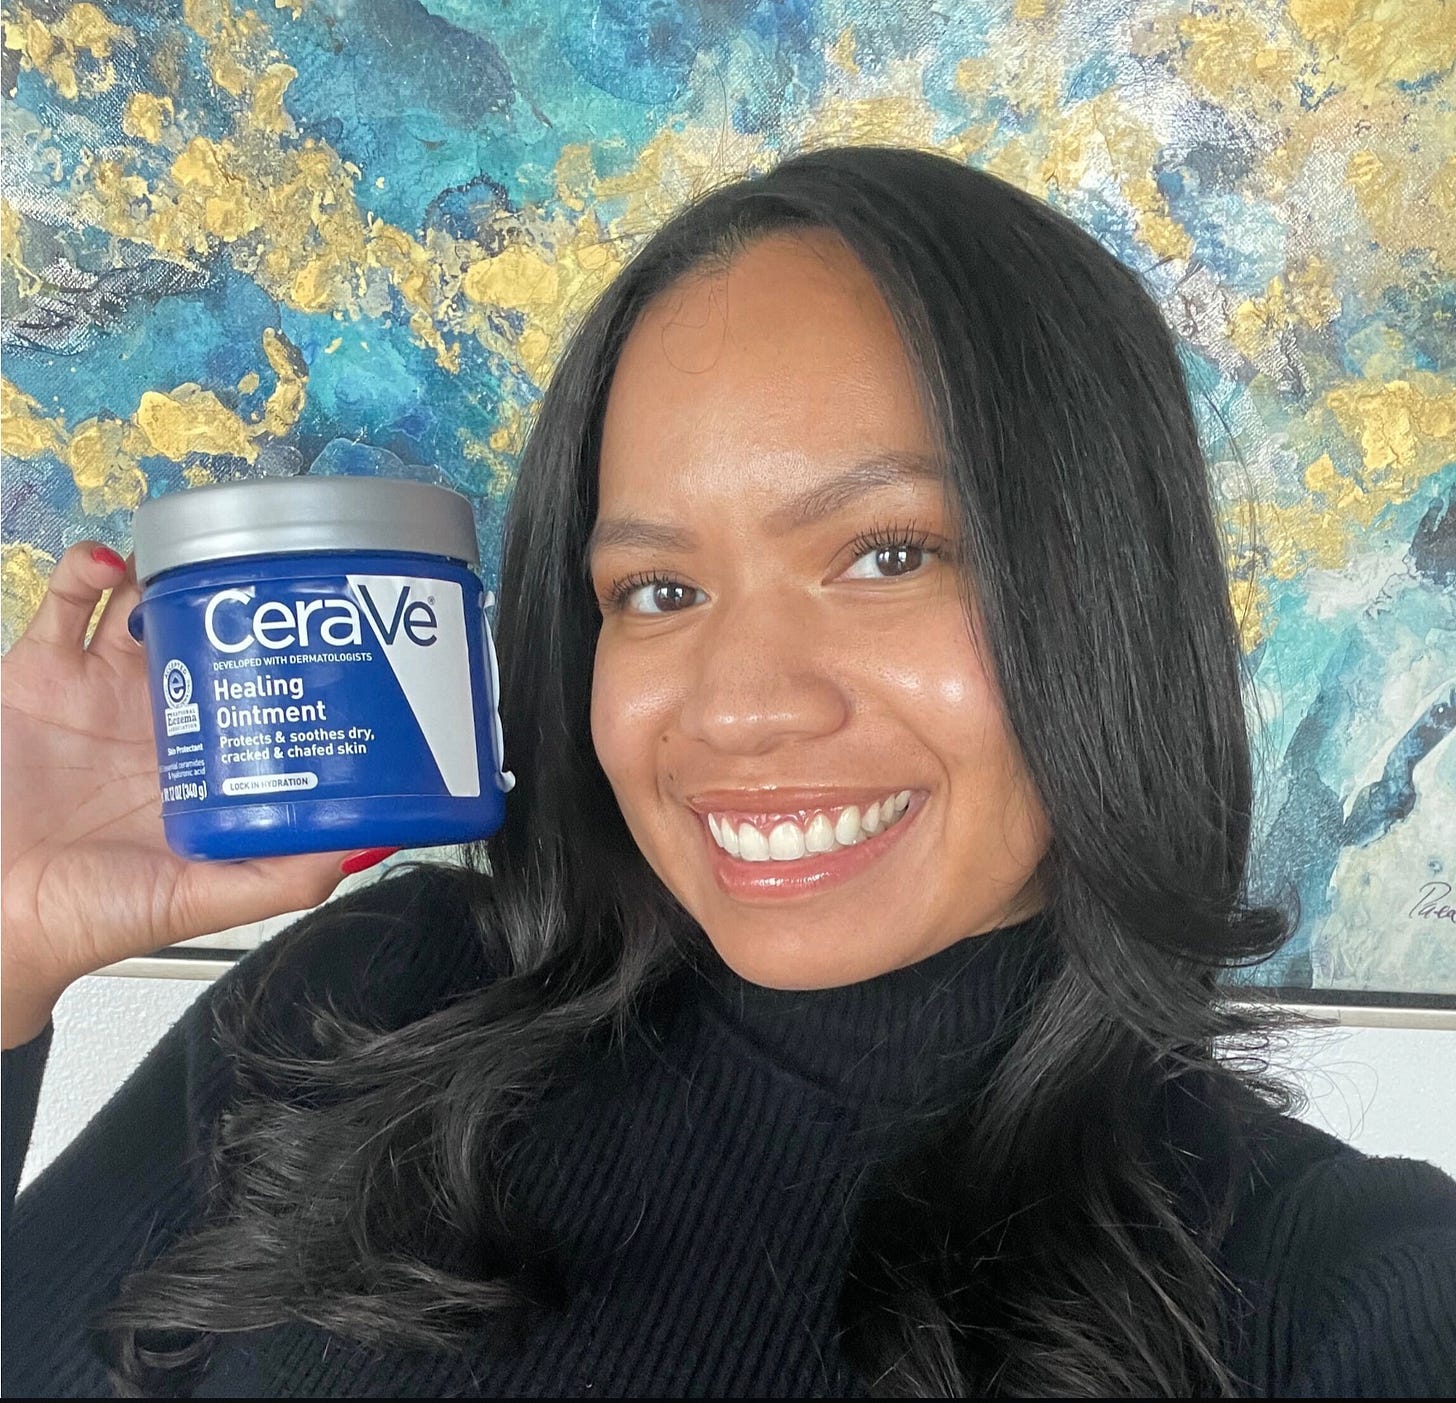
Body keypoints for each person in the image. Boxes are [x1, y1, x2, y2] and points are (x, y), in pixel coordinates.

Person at [3, 145, 1453, 1399]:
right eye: (656, 590)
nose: (741, 711)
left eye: (889, 554)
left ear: (1109, 592)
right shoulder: (362, 1011)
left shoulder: (1329, 1286)